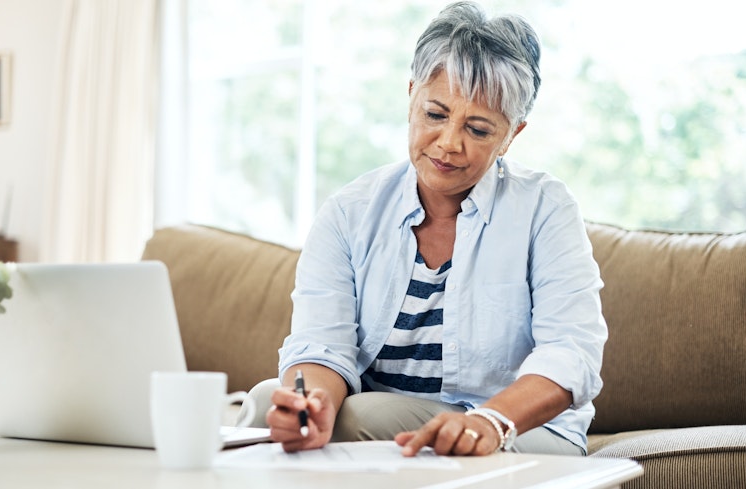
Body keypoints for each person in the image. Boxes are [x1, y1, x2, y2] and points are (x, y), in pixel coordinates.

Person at [243, 0, 607, 457]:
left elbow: (572, 352)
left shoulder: (545, 209)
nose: (449, 143)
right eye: (435, 115)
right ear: (412, 94)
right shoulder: (349, 213)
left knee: (360, 416)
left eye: (478, 130)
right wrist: (311, 406)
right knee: (266, 403)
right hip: (386, 419)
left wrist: (489, 421)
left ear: (511, 135)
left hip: (518, 432)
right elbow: (321, 346)